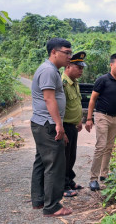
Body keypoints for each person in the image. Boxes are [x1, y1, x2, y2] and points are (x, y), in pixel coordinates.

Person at [30, 38, 72, 217]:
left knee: (42, 161)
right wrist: (59, 125)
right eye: (66, 53)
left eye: (70, 53)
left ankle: (39, 200)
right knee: (55, 164)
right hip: (47, 124)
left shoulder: (51, 70)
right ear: (54, 52)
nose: (69, 56)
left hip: (42, 123)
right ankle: (52, 206)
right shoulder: (48, 70)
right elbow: (49, 99)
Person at [85, 53, 116, 191]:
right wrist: (89, 118)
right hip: (101, 115)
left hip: (115, 118)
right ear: (111, 64)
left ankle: (104, 174)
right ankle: (93, 178)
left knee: (109, 147)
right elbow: (92, 99)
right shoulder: (102, 80)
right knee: (101, 146)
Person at [61, 51, 87, 197]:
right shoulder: (63, 84)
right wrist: (62, 130)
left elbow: (75, 104)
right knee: (64, 157)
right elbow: (59, 108)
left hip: (72, 125)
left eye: (82, 68)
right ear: (68, 66)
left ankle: (70, 180)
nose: (81, 71)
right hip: (64, 125)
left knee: (71, 156)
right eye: (78, 67)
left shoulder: (74, 83)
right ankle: (63, 186)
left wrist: (78, 121)